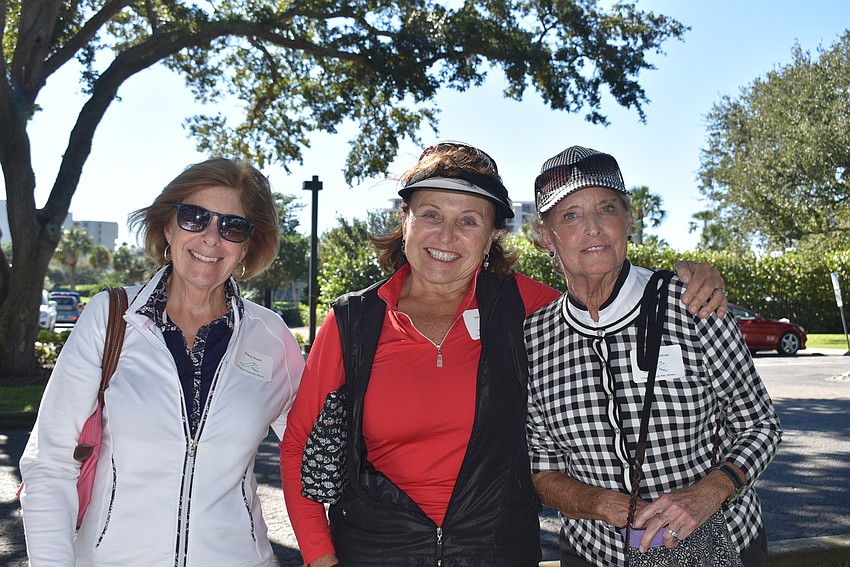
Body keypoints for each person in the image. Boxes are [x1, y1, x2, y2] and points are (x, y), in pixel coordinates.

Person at [279, 141, 728, 567]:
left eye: (469, 221)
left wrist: (694, 279)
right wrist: (321, 557)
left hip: (498, 551)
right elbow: (298, 444)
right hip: (373, 551)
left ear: (493, 235)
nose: (447, 235)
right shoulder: (353, 321)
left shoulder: (526, 306)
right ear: (405, 219)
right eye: (431, 214)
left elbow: (606, 292)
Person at [19, 158, 305, 566]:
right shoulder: (109, 317)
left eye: (232, 227)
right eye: (194, 217)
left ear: (247, 246)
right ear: (168, 226)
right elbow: (50, 464)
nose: (211, 238)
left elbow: (315, 454)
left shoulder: (272, 335)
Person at [525, 145, 782, 567]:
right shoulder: (535, 338)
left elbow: (759, 424)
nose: (592, 228)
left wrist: (706, 494)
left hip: (716, 545)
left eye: (606, 209)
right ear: (545, 236)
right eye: (570, 215)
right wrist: (601, 504)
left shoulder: (692, 305)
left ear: (629, 221)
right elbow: (542, 465)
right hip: (594, 553)